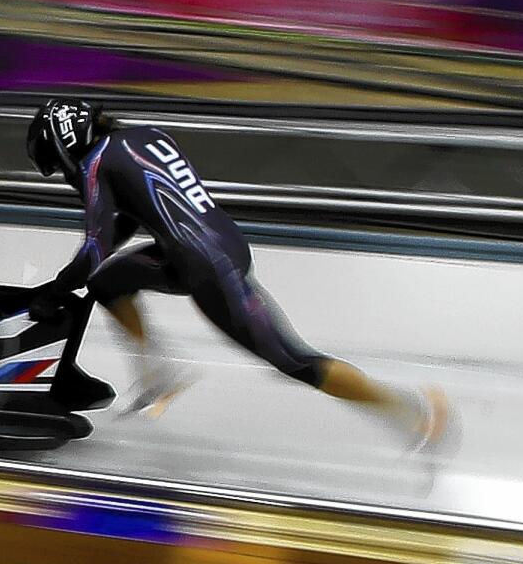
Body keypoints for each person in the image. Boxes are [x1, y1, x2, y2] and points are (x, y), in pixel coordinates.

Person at [24, 98, 449, 450]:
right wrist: (79, 279)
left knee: (293, 360)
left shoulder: (96, 163)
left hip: (204, 268)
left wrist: (54, 289)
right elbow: (132, 220)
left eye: (57, 164)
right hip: (210, 248)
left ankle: (413, 414)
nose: (65, 175)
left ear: (65, 145)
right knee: (107, 283)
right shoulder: (142, 137)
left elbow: (94, 246)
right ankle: (157, 374)